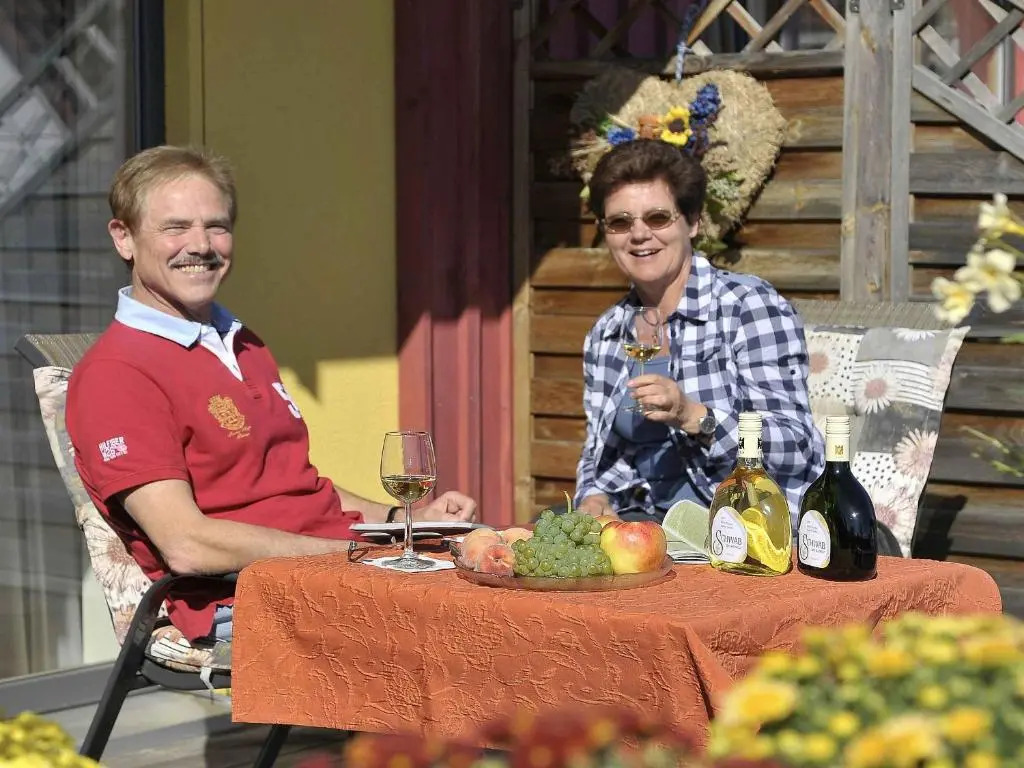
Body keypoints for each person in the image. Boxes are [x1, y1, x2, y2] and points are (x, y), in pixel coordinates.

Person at [66, 146, 476, 643]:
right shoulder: (116, 374)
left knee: (511, 580)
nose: (201, 245)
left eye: (216, 226)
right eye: (175, 227)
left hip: (334, 572)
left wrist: (402, 522)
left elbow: (295, 485)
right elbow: (187, 545)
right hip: (245, 599)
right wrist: (359, 555)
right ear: (124, 238)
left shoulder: (242, 342)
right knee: (477, 633)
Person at [573, 139, 823, 525]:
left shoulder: (748, 306)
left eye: (657, 218)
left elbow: (795, 446)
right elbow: (598, 453)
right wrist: (592, 496)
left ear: (692, 222)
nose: (638, 234)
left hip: (747, 527)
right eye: (620, 222)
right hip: (644, 529)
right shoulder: (606, 333)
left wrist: (693, 416)